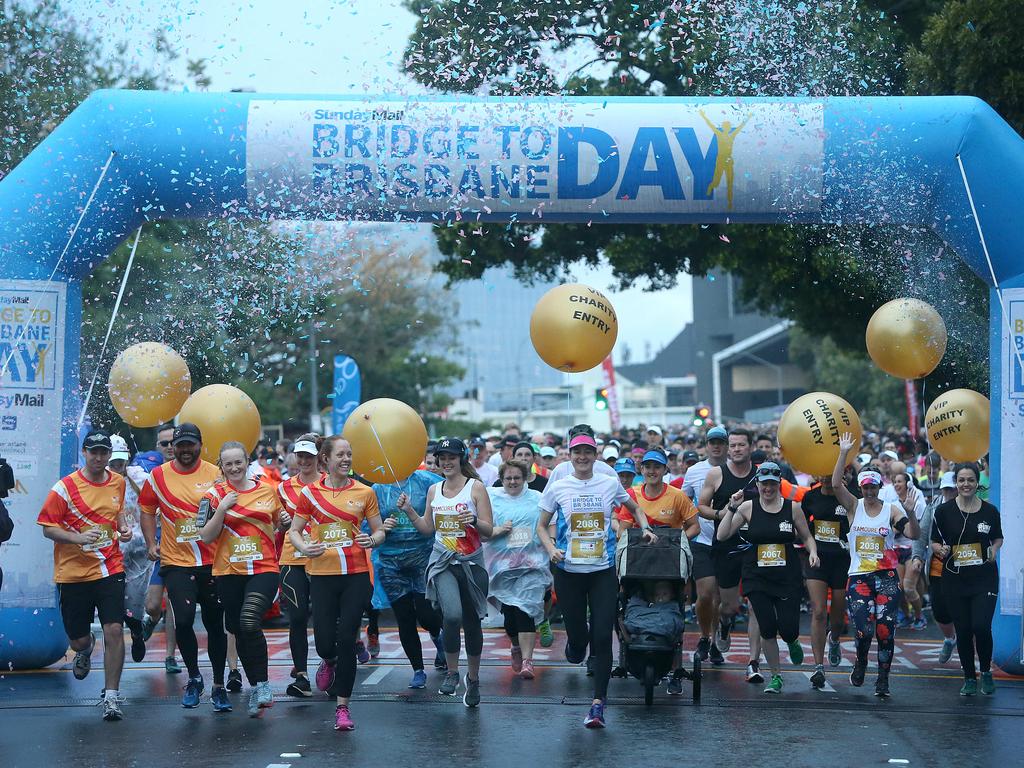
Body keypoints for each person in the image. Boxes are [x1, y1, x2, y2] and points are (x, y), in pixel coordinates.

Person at [537, 432, 657, 729]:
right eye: (577, 452)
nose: (582, 457)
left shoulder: (609, 482)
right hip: (569, 572)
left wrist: (644, 527)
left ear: (595, 455)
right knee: (579, 638)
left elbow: (636, 507)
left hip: (602, 571)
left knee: (603, 636)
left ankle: (598, 704)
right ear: (570, 454)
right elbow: (540, 525)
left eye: (588, 452)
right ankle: (576, 645)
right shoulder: (559, 485)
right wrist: (551, 548)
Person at [288, 436, 384, 731]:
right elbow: (294, 531)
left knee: (346, 640)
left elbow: (379, 531)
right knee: (325, 642)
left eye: (349, 454)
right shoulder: (310, 493)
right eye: (340, 454)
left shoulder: (365, 492)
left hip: (356, 574)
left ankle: (343, 707)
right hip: (322, 575)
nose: (346, 459)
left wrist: (373, 539)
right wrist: (304, 548)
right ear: (325, 460)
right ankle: (327, 661)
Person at [37, 430, 132, 720]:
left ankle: (112, 696)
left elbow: (118, 516)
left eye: (104, 453)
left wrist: (124, 529)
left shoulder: (117, 482)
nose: (100, 458)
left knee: (114, 630)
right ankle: (84, 649)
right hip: (74, 572)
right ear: (84, 453)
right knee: (78, 640)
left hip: (109, 566)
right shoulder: (64, 488)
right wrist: (77, 539)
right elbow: (46, 527)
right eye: (94, 452)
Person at [399, 438, 494, 706]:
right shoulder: (433, 490)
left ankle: (473, 679)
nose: (446, 462)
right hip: (442, 562)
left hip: (472, 562)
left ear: (461, 459)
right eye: (441, 458)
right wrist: (409, 511)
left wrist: (474, 521)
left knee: (473, 622)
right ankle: (452, 672)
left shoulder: (475, 488)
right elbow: (428, 528)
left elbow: (488, 530)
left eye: (451, 457)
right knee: (452, 615)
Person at [139, 423, 227, 709]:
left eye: (191, 445)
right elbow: (147, 510)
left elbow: (232, 508)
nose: (185, 450)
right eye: (180, 445)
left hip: (212, 561)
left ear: (200, 445)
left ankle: (218, 684)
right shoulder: (158, 476)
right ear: (172, 447)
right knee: (185, 620)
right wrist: (151, 543)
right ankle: (193, 677)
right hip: (177, 561)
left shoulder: (215, 473)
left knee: (215, 626)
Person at [718, 461, 817, 694]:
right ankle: (776, 676)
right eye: (764, 484)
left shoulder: (792, 508)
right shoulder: (748, 508)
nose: (768, 489)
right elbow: (723, 535)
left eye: (773, 484)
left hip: (786, 576)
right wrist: (732, 507)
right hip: (756, 575)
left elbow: (807, 536)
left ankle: (792, 640)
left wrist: (813, 552)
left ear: (779, 484)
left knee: (788, 628)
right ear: (758, 485)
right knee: (767, 628)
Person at [199, 441, 283, 716]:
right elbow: (206, 536)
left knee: (249, 620)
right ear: (221, 467)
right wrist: (222, 508)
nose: (234, 468)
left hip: (264, 568)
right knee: (238, 628)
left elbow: (279, 524)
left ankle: (264, 685)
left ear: (247, 461)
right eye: (228, 464)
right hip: (229, 572)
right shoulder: (212, 495)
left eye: (239, 462)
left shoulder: (267, 490)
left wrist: (282, 520)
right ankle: (257, 686)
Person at [833, 434, 919, 697]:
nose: (869, 492)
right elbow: (836, 484)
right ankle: (860, 662)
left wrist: (911, 512)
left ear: (879, 487)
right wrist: (843, 453)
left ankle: (883, 679)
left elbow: (913, 535)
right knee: (863, 628)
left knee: (885, 630)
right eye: (865, 488)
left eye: (873, 488)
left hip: (886, 577)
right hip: (859, 577)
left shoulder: (891, 509)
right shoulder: (853, 506)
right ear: (860, 488)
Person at [616, 448, 700, 693]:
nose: (652, 471)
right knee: (629, 600)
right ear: (641, 470)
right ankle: (629, 656)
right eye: (647, 467)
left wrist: (675, 542)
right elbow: (622, 529)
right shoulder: (632, 495)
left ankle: (674, 668)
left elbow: (693, 526)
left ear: (665, 470)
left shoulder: (676, 496)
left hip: (668, 566)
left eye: (657, 467)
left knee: (673, 605)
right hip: (639, 566)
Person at [931, 462, 1003, 696]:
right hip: (954, 579)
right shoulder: (943, 512)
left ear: (977, 482)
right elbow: (934, 540)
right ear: (956, 482)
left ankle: (986, 672)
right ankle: (970, 677)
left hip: (984, 578)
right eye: (961, 480)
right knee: (963, 629)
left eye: (970, 480)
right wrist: (938, 550)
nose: (966, 484)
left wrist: (994, 551)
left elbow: (997, 538)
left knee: (981, 626)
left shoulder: (990, 511)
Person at [375, 468, 446, 688]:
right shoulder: (377, 488)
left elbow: (445, 501)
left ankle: (438, 637)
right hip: (390, 563)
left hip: (421, 558)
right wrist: (381, 528)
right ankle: (418, 669)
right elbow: (368, 523)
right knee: (404, 618)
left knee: (426, 615)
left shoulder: (427, 481)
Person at [485, 459, 552, 679]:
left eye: (517, 478)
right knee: (510, 617)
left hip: (531, 565)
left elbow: (549, 523)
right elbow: (482, 528)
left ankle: (527, 661)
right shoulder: (492, 497)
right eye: (508, 478)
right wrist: (498, 530)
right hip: (502, 567)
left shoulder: (538, 499)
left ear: (525, 478)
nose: (512, 482)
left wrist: (550, 542)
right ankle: (515, 645)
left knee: (525, 610)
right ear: (501, 480)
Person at [697, 428, 758, 665]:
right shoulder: (716, 474)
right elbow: (701, 506)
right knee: (729, 606)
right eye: (732, 446)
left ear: (750, 447)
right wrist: (720, 513)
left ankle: (754, 662)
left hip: (755, 546)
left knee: (755, 604)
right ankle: (724, 625)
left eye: (741, 445)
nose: (736, 449)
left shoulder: (760, 474)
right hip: (726, 546)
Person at [276, 433, 322, 697]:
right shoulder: (283, 488)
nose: (304, 460)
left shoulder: (329, 484)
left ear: (319, 457)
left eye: (309, 455)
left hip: (322, 559)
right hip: (292, 558)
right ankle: (302, 676)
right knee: (296, 616)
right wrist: (282, 522)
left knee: (326, 618)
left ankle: (330, 664)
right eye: (300, 455)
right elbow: (278, 525)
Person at [799, 474, 851, 688]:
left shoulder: (848, 497)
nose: (828, 479)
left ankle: (835, 639)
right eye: (824, 475)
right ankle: (818, 666)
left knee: (837, 619)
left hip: (842, 561)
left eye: (833, 474)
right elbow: (800, 526)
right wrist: (807, 543)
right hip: (817, 559)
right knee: (819, 612)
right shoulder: (810, 497)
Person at [107, 434, 153, 664]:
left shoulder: (141, 478)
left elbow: (159, 506)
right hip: (110, 554)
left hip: (139, 553)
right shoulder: (99, 481)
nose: (117, 466)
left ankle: (136, 632)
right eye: (112, 461)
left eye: (120, 461)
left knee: (133, 606)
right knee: (113, 612)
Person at [921, 471, 959, 665]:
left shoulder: (968, 505)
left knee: (964, 609)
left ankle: (973, 659)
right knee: (939, 610)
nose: (949, 493)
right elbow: (922, 533)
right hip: (937, 566)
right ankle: (949, 639)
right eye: (946, 489)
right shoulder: (933, 506)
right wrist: (917, 557)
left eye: (952, 489)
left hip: (963, 566)